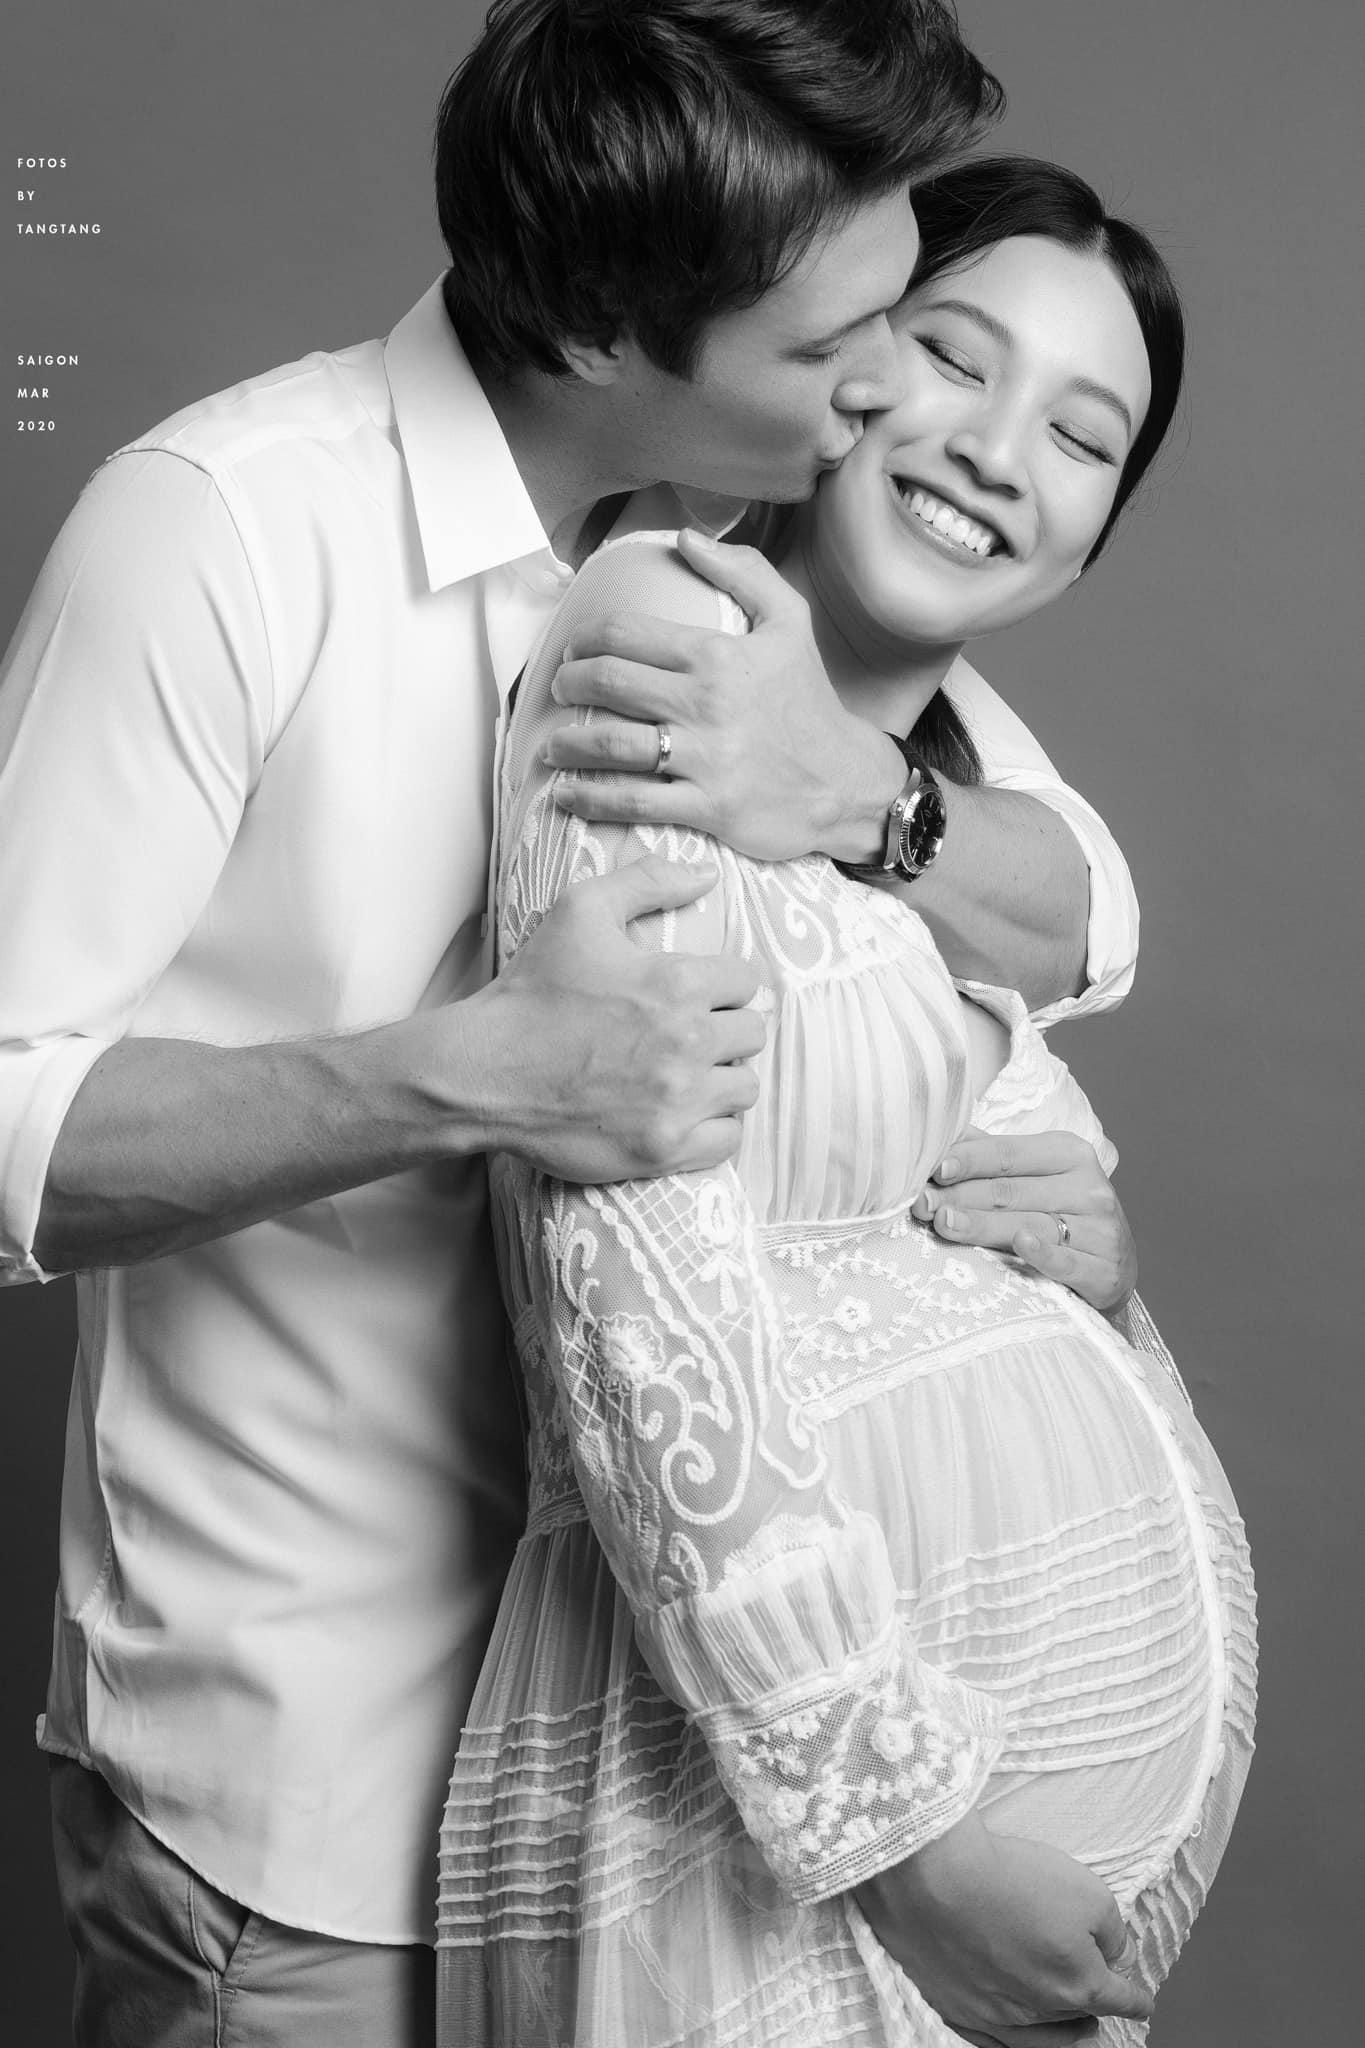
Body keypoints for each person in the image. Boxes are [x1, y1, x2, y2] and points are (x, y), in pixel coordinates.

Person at [0, 6, 1142, 2041]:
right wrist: (458, 1078)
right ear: (611, 329)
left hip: (671, 1816)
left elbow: (1075, 902)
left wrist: (862, 809)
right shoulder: (227, 527)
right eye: (839, 346)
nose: (885, 391)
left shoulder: (740, 543)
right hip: (321, 1807)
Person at [435, 158, 1256, 2047]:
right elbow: (632, 1311)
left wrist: (1098, 1286)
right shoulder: (665, 628)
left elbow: (1063, 947)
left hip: (980, 1905)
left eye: (1081, 438)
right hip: (781, 1834)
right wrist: (903, 1836)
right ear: (843, 353)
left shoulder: (962, 788)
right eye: (954, 356)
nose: (995, 452)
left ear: (1095, 533)